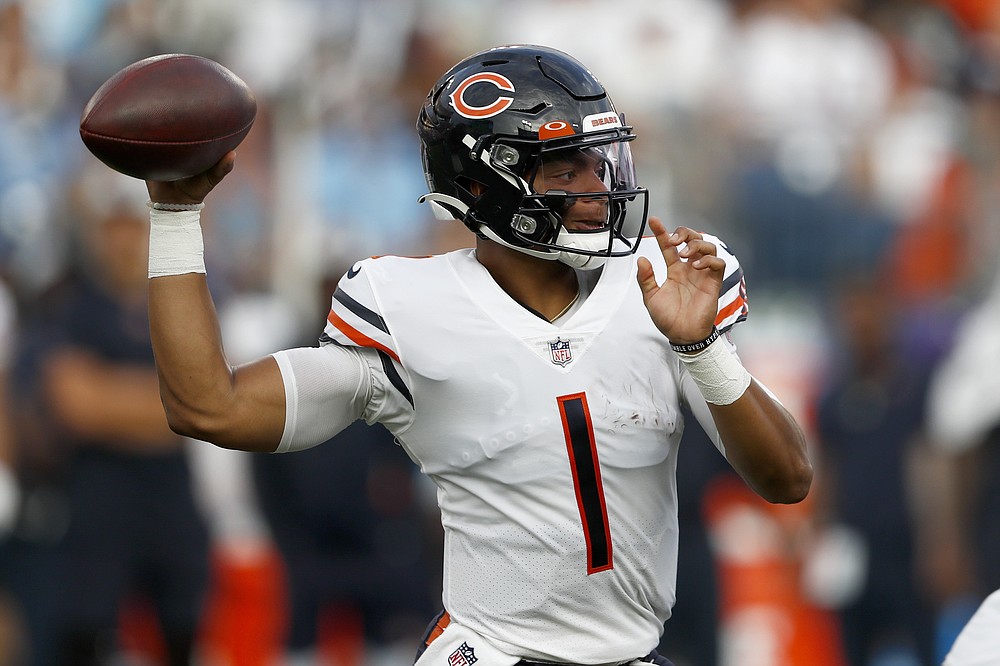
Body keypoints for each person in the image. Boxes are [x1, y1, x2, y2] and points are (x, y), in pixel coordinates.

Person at [139, 44, 812, 665]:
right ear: (488, 183)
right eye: (564, 165)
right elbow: (209, 408)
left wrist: (701, 349)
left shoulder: (662, 283)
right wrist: (175, 217)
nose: (596, 187)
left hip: (633, 653)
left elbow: (788, 479)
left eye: (600, 158)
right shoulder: (407, 307)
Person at [39, 169, 211, 665]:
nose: (122, 241)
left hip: (169, 506)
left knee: (182, 638)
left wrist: (114, 397)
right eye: (111, 227)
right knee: (84, 637)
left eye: (131, 226)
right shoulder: (74, 307)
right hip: (99, 511)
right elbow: (77, 405)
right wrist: (167, 405)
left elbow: (207, 404)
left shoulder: (183, 302)